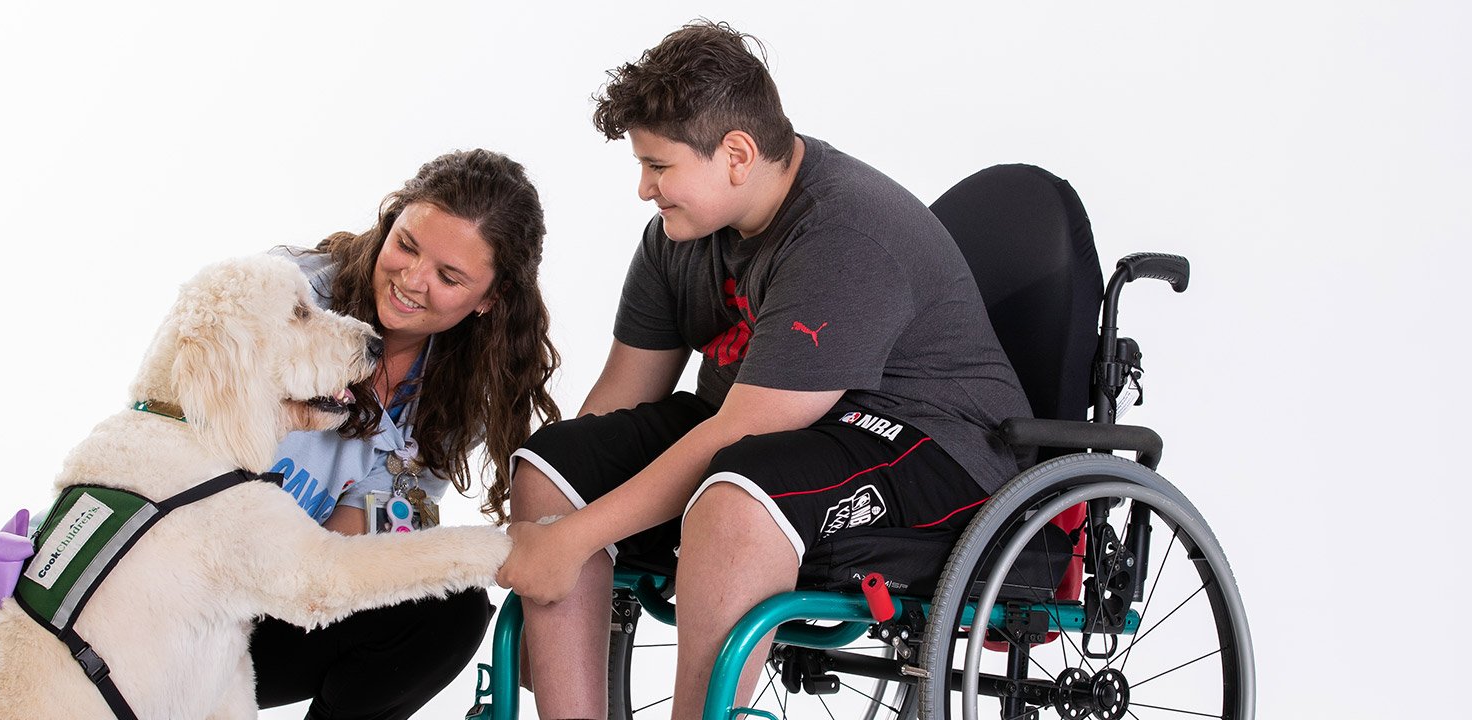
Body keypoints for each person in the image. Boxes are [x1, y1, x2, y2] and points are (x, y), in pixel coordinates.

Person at [495, 21, 1032, 720]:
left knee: (737, 495)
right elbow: (622, 397)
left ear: (737, 155)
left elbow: (746, 429)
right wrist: (557, 538)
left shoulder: (844, 234)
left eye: (658, 166)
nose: (644, 188)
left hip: (929, 446)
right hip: (776, 431)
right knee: (553, 465)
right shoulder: (678, 237)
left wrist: (575, 539)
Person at [253, 148, 560, 720]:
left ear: (489, 299)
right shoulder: (281, 299)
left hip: (277, 600)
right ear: (389, 221)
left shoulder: (453, 396)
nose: (411, 281)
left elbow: (345, 555)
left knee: (449, 608)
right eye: (407, 245)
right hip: (171, 586)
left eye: (448, 277)